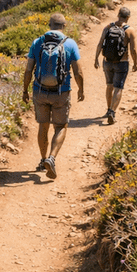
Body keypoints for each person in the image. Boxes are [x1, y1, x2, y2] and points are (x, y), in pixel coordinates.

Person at [22, 13, 84, 180]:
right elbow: (78, 71)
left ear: (49, 25)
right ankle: (52, 158)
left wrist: (25, 90)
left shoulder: (37, 42)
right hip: (61, 92)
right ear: (64, 26)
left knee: (43, 126)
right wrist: (81, 89)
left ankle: (43, 160)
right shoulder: (70, 43)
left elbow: (28, 70)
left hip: (40, 91)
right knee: (60, 126)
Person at [93, 6, 137, 125]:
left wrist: (96, 58)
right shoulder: (130, 30)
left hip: (107, 61)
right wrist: (135, 63)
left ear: (118, 15)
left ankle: (108, 110)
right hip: (122, 63)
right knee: (118, 88)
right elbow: (133, 50)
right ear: (128, 17)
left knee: (109, 86)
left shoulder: (108, 27)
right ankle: (112, 112)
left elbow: (100, 43)